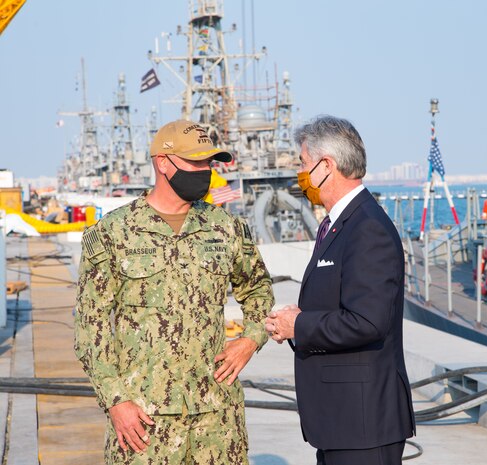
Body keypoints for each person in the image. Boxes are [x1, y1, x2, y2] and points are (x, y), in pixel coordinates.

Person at [74, 119, 274, 464]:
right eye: (195, 162)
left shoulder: (226, 229)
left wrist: (250, 339)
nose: (205, 170)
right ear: (163, 163)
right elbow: (90, 326)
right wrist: (116, 400)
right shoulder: (114, 233)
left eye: (209, 162)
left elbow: (257, 288)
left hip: (217, 418)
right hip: (144, 422)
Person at [265, 115, 415, 465]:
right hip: (342, 422)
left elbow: (367, 321)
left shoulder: (367, 229)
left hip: (363, 425)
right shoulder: (338, 224)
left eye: (303, 164)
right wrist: (295, 319)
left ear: (326, 165)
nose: (300, 174)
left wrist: (297, 326)